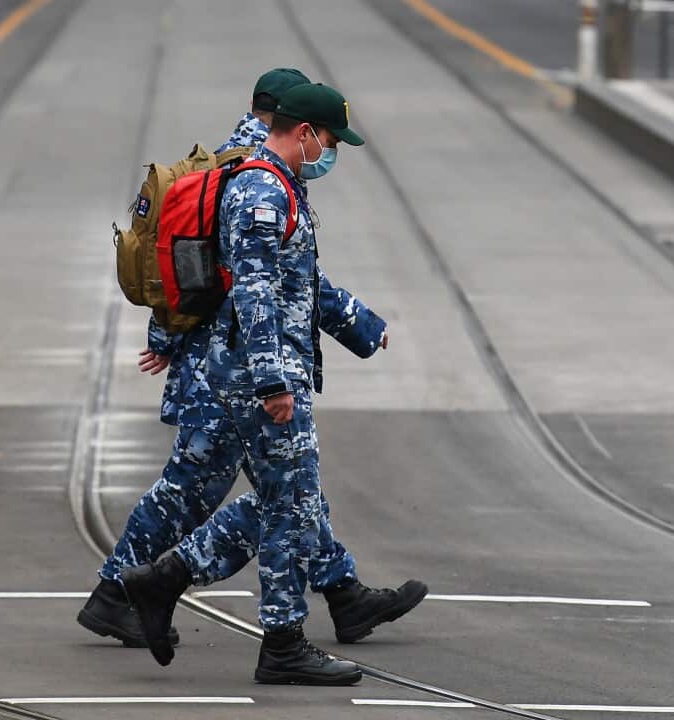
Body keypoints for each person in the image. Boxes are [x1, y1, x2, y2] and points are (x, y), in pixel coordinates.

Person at [79, 71, 425, 655]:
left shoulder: (257, 169)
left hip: (233, 362)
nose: (330, 153)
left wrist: (363, 328)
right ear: (293, 125)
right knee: (213, 492)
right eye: (329, 141)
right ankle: (131, 589)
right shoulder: (253, 176)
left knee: (288, 490)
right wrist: (255, 370)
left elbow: (291, 281)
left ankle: (338, 592)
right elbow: (237, 276)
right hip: (235, 369)